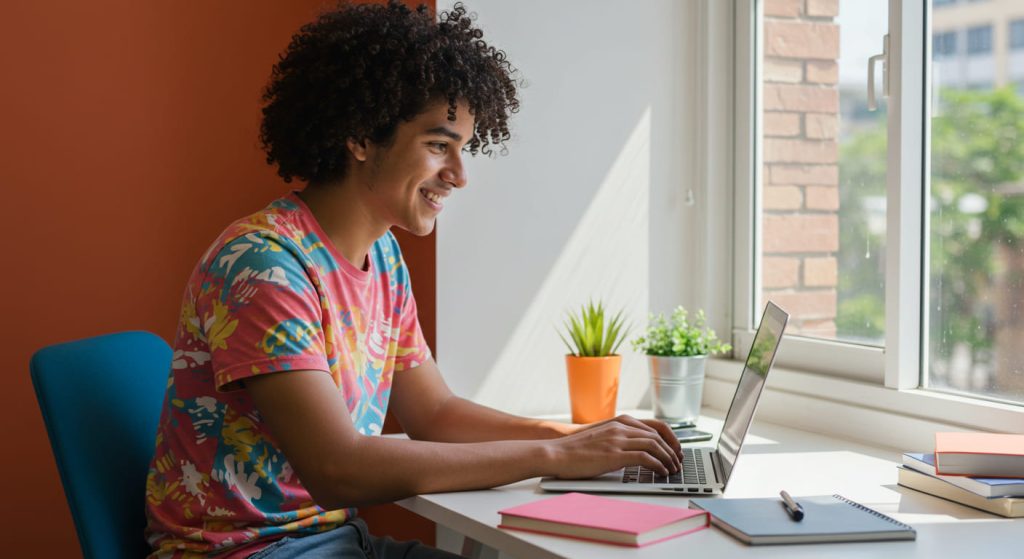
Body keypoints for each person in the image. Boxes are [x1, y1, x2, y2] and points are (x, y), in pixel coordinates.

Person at [143, 2, 682, 558]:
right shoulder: (264, 265)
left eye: (464, 149)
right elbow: (338, 469)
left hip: (334, 544)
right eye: (437, 145)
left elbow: (435, 414)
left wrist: (574, 437)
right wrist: (553, 458)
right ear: (360, 137)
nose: (460, 174)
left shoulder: (384, 257)